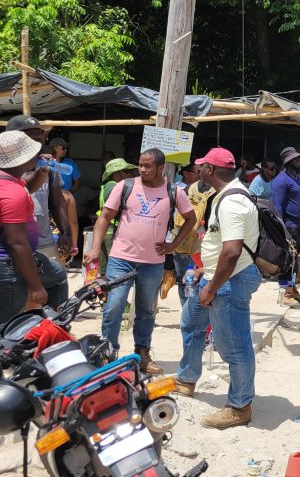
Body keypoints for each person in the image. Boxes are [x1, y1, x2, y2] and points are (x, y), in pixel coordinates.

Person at [84, 148, 196, 374]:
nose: (142, 169)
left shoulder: (174, 191)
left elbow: (191, 219)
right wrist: (95, 247)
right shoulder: (124, 187)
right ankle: (108, 355)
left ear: (161, 168)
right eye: (141, 165)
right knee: (114, 305)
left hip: (152, 262)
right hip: (121, 258)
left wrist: (173, 246)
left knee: (146, 311)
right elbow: (105, 216)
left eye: (148, 166)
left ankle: (142, 354)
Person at [173, 148, 262, 429]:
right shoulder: (225, 196)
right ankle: (186, 378)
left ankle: (239, 406)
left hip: (228, 281)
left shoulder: (232, 202)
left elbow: (232, 251)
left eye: (201, 167)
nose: (197, 170)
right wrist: (204, 271)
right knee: (191, 323)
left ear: (211, 170)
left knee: (234, 346)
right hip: (215, 276)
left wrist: (211, 288)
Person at [6, 116, 72, 309]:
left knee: (55, 285)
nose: (38, 139)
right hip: (11, 247)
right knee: (21, 299)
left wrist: (65, 232)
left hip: (43, 243)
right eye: (30, 134)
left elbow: (57, 199)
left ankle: (49, 332)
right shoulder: (8, 165)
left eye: (40, 134)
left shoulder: (47, 164)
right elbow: (23, 185)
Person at [0, 131, 49, 323]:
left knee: (58, 276)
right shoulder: (12, 192)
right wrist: (36, 286)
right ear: (22, 159)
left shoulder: (12, 180)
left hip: (12, 261)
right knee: (6, 326)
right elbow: (16, 242)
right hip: (8, 266)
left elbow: (26, 185)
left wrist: (41, 171)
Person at [167, 168, 216, 304]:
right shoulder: (218, 192)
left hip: (182, 241)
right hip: (202, 244)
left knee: (185, 282)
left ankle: (188, 315)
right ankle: (195, 317)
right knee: (200, 281)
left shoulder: (187, 190)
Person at [271, 147, 300, 306]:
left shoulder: (298, 178)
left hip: (298, 226)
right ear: (287, 162)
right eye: (295, 159)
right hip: (288, 226)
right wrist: (281, 229)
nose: (298, 161)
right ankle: (286, 294)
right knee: (288, 260)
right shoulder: (281, 180)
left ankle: (292, 288)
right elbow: (277, 207)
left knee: (295, 258)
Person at [97, 158, 138, 276]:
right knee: (114, 268)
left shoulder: (107, 186)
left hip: (107, 229)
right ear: (116, 173)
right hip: (112, 230)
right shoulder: (115, 187)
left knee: (105, 269)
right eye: (125, 171)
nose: (129, 174)